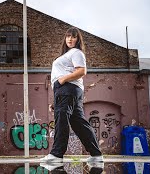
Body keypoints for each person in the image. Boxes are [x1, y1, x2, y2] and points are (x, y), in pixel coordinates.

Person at [40, 27, 103, 163]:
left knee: (61, 120)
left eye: (73, 37)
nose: (70, 39)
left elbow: (82, 71)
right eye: (68, 36)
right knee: (79, 123)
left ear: (77, 39)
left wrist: (63, 79)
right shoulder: (67, 54)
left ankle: (56, 155)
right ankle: (96, 155)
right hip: (69, 90)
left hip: (67, 88)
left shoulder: (76, 52)